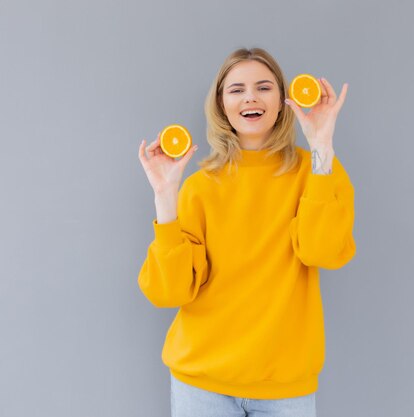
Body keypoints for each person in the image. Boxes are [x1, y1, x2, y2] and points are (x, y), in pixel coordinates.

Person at [137, 47, 356, 417]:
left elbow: (321, 251)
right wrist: (164, 197)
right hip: (202, 384)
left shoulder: (317, 172)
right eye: (236, 89)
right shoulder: (200, 186)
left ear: (283, 99)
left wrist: (321, 145)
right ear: (221, 104)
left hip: (285, 387)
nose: (250, 96)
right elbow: (168, 291)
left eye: (263, 87)